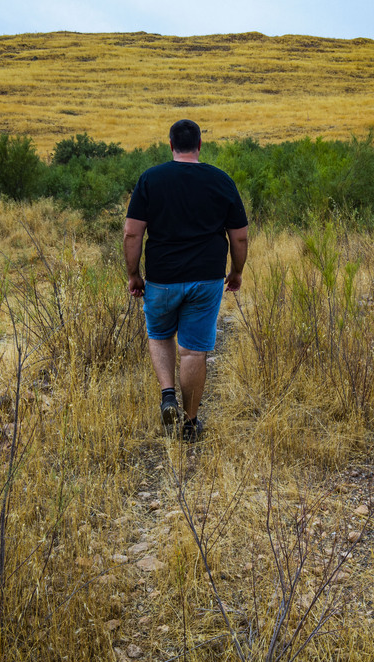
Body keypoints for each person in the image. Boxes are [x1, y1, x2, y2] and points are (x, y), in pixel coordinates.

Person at [124, 119, 249, 442]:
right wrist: (236, 272)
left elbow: (132, 232)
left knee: (160, 334)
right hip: (206, 278)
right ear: (200, 145)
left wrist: (134, 274)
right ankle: (190, 424)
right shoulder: (221, 180)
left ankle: (168, 395)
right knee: (193, 352)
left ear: (170, 145)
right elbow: (240, 238)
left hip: (162, 277)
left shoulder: (151, 179)